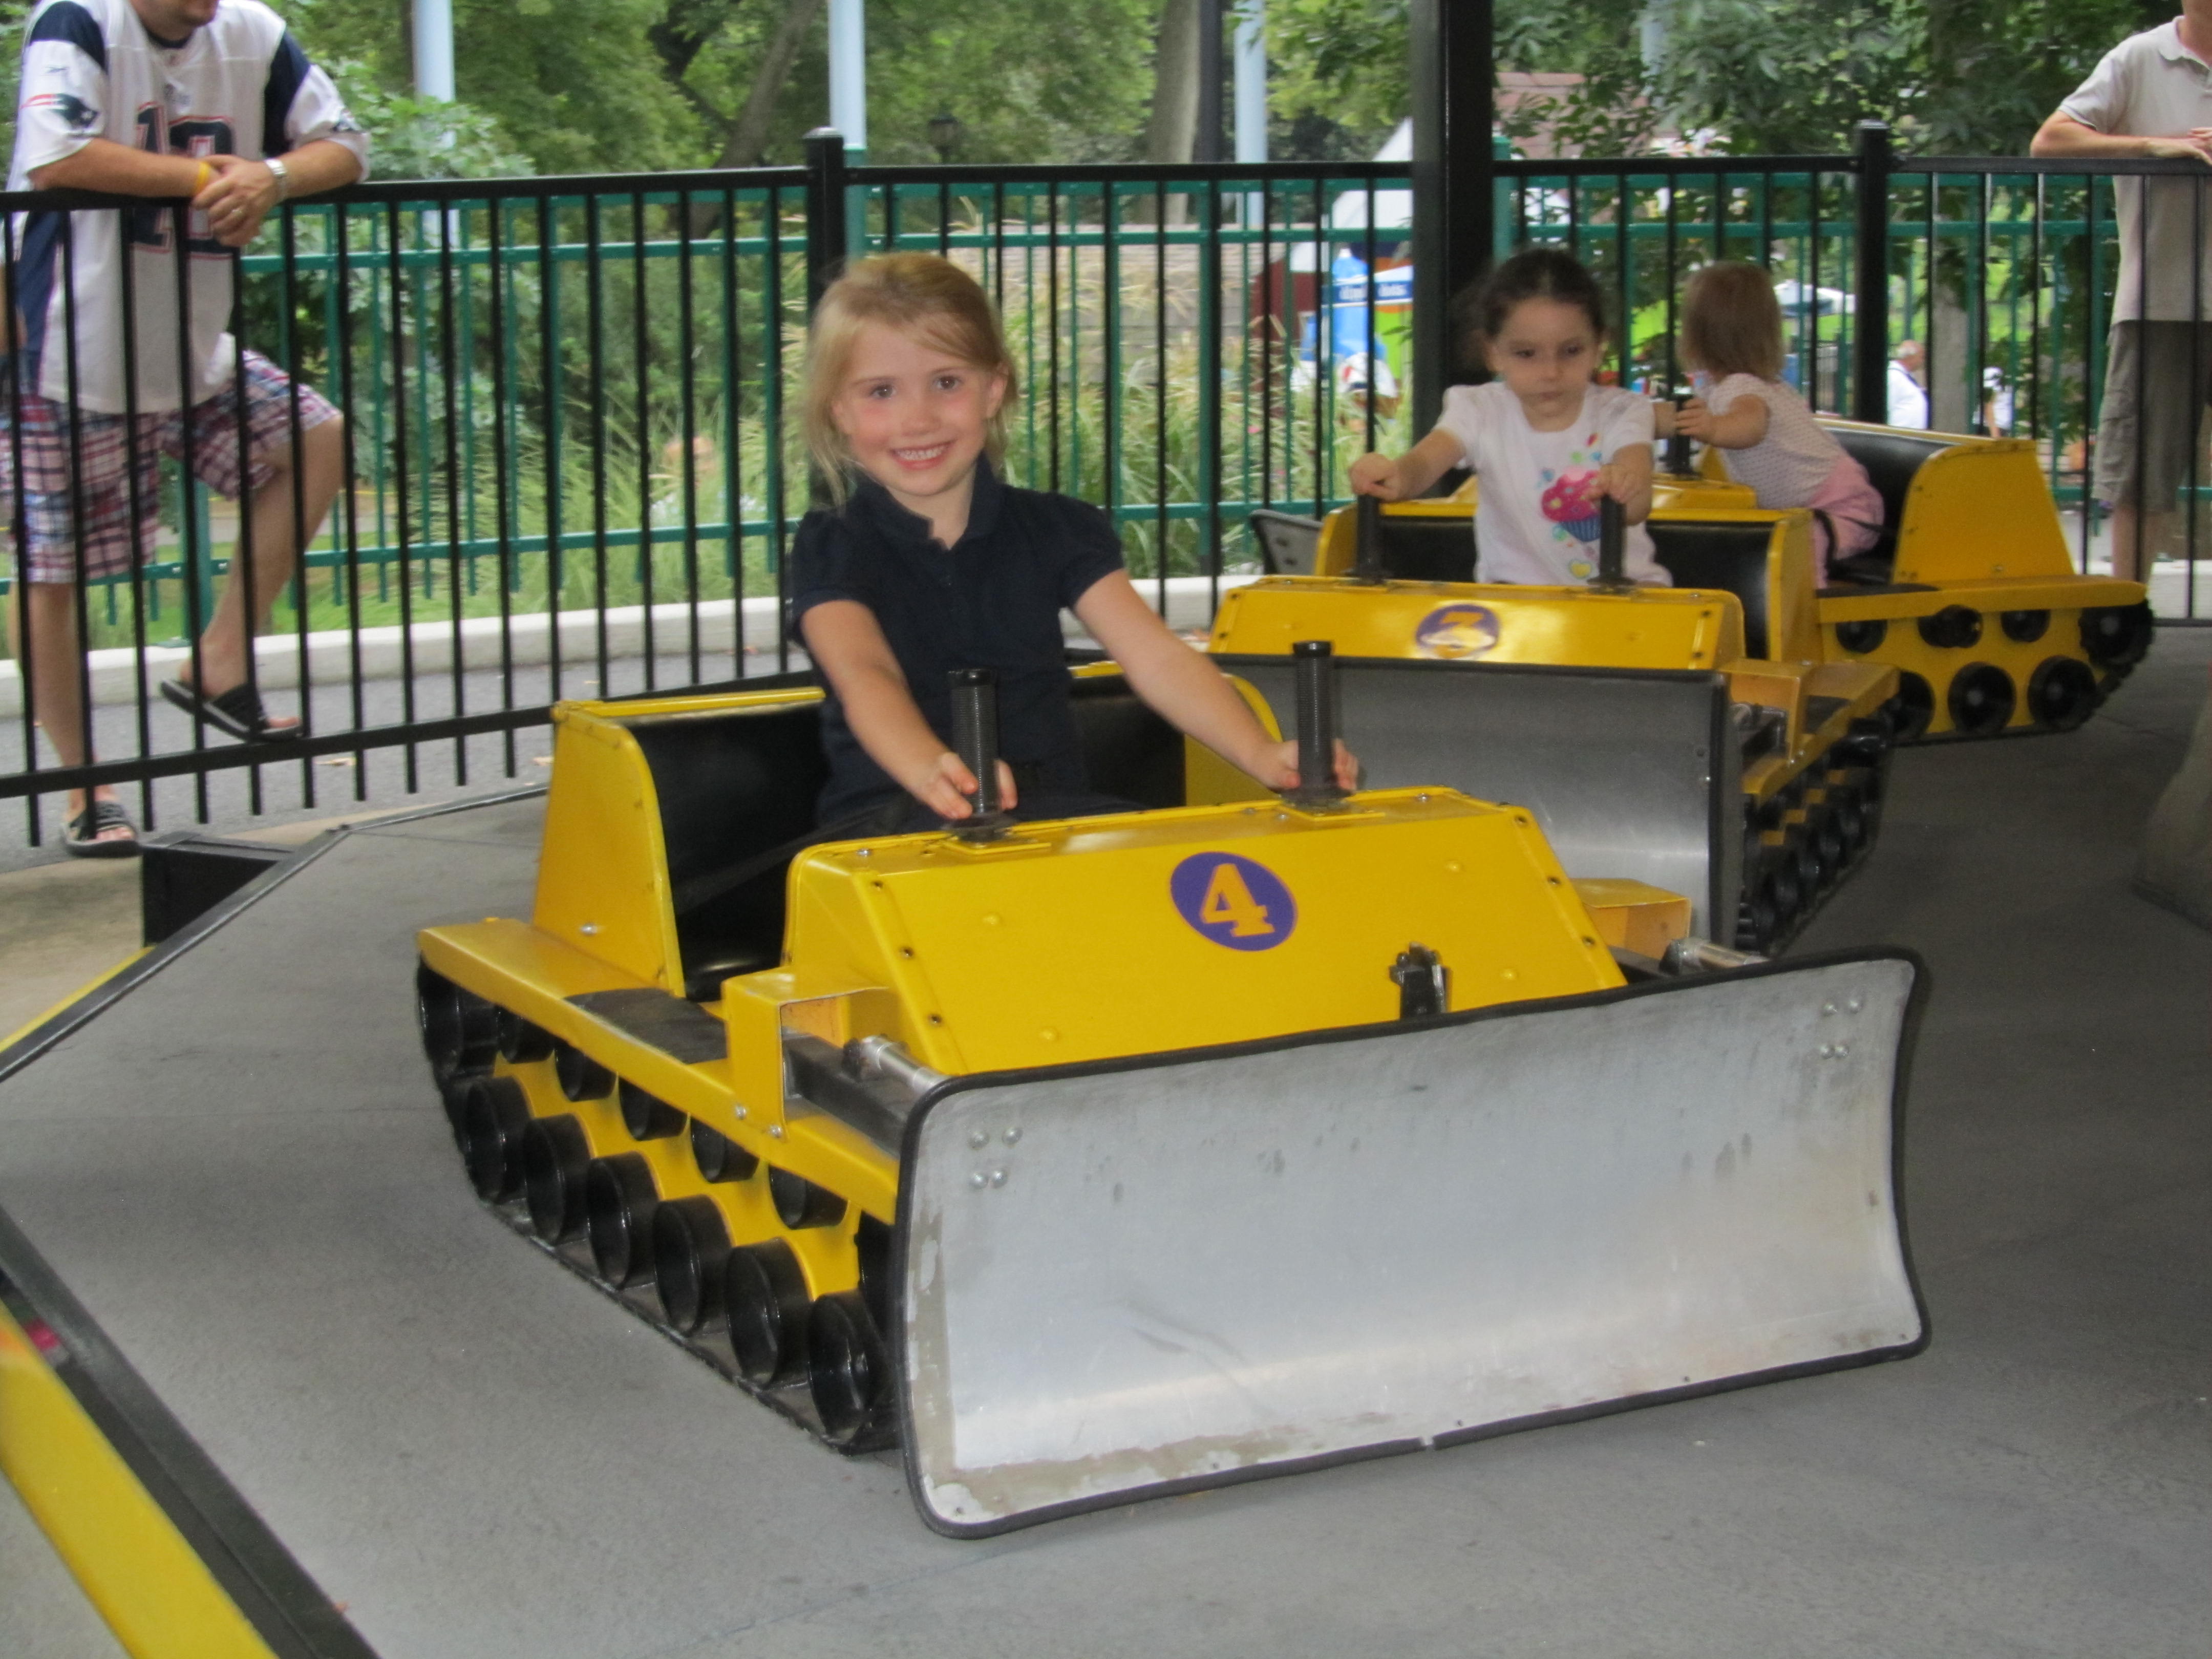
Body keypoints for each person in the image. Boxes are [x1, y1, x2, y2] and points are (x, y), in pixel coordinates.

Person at [791, 252, 1354, 835]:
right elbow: (865, 674)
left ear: (993, 390)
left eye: (947, 383)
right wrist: (929, 765)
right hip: (890, 826)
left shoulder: (1057, 530)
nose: (919, 418)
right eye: (882, 391)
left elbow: (1157, 657)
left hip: (1051, 818)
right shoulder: (832, 547)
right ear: (841, 412)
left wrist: (1261, 753)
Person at [3, 0, 367, 854]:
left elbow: (347, 144)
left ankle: (221, 657)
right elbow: (56, 156)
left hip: (193, 348)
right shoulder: (76, 20)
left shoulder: (253, 32)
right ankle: (83, 786)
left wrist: (272, 177)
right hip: (67, 348)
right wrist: (211, 180)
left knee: (315, 439)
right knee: (54, 574)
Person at [1347, 246, 1667, 587]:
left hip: (1621, 599)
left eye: (1571, 351)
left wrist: (1622, 486)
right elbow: (1425, 463)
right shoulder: (1479, 409)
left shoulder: (1621, 411)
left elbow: (1638, 501)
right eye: (1527, 354)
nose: (1551, 371)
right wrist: (1397, 475)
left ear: (1599, 345)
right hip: (1514, 603)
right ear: (1493, 352)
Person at [2033, 0, 2212, 585]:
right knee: (2140, 479)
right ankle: (2126, 621)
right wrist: (2150, 147)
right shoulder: (2141, 57)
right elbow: (2051, 140)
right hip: (2161, 301)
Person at [1664, 261, 1886, 577]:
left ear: (1696, 336)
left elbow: (1751, 426)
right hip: (1816, 509)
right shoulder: (1733, 387)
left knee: (1786, 556)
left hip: (1836, 512)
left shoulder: (1742, 389)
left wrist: (1713, 428)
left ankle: (1798, 608)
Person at [1886, 338, 1929, 429]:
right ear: (1911, 357)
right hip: (1897, 434)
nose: (1922, 361)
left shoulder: (1904, 377)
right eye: (1921, 357)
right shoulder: (1894, 377)